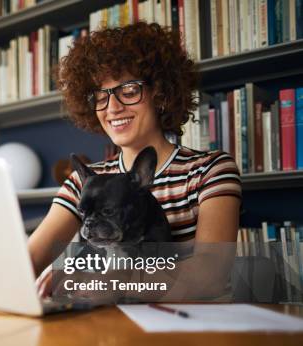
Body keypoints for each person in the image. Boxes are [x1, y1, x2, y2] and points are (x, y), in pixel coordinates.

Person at [28, 22, 242, 297]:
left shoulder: (208, 170)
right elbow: (30, 259)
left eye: (128, 91)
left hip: (189, 329)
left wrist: (111, 278)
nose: (113, 107)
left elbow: (210, 274)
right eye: (100, 96)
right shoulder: (84, 181)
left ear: (159, 93)